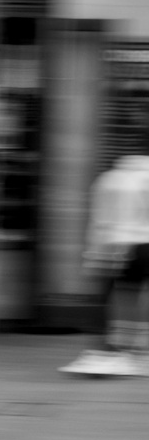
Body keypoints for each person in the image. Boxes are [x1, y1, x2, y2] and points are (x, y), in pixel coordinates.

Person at [60, 155, 149, 377]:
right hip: (138, 244)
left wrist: (95, 254)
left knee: (123, 296)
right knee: (133, 296)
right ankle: (135, 351)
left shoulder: (112, 179)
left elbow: (103, 220)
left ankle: (119, 350)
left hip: (123, 244)